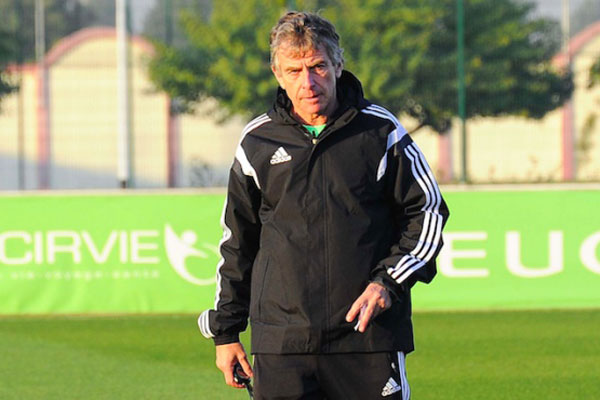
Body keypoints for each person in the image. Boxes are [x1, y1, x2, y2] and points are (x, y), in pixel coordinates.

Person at [198, 11, 449, 400]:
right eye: (294, 71)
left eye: (318, 67)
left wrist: (388, 282)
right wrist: (226, 332)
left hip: (366, 336)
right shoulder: (257, 141)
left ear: (338, 66)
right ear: (277, 74)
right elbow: (238, 242)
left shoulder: (380, 131)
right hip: (282, 342)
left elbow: (427, 212)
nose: (308, 82)